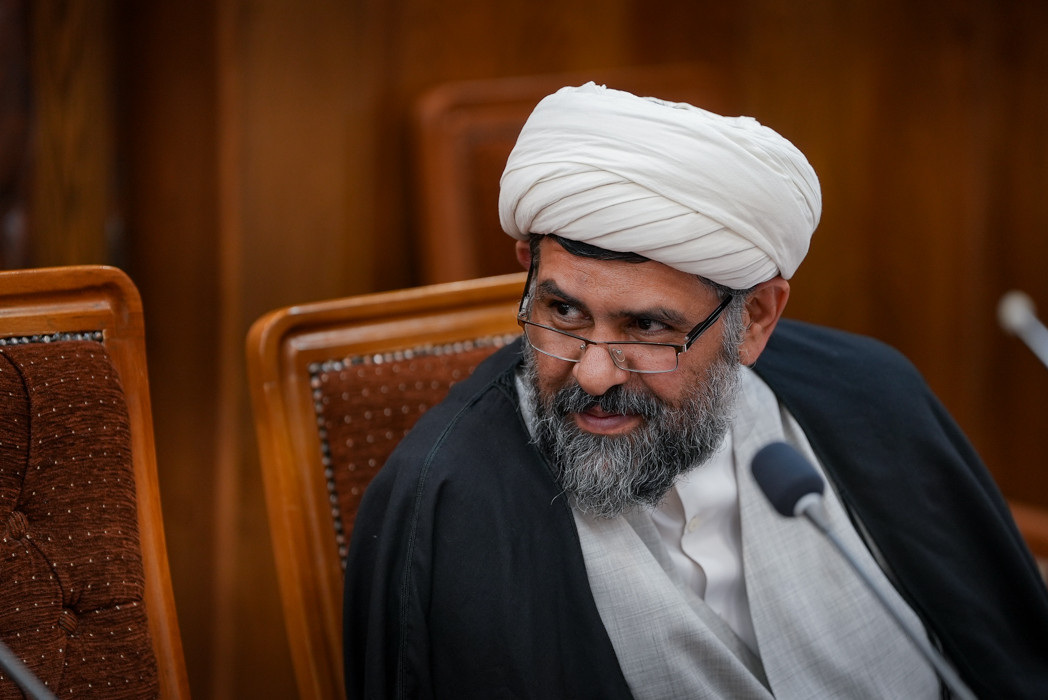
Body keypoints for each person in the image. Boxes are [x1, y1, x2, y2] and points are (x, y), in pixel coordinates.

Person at [343, 82, 1048, 699]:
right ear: (527, 268)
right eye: (563, 312)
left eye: (647, 327)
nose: (593, 374)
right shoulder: (447, 502)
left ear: (757, 318)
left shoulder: (868, 398)